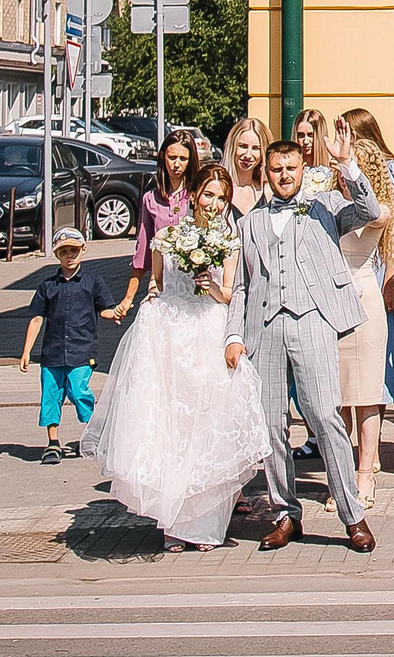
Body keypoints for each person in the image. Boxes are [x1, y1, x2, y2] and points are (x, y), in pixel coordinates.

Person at [83, 174, 270, 549]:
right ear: (194, 195)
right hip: (171, 332)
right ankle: (172, 521)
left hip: (209, 329)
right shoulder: (168, 237)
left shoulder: (229, 239)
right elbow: (156, 282)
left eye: (221, 198)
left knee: (208, 425)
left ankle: (204, 525)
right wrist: (152, 295)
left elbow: (231, 293)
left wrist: (209, 284)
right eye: (208, 195)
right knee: (173, 426)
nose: (214, 204)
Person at [224, 139, 383, 552]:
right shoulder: (250, 222)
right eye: (277, 170)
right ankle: (285, 514)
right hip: (264, 326)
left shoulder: (324, 206)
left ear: (302, 169)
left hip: (312, 319)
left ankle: (353, 515)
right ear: (267, 173)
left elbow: (369, 210)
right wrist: (234, 335)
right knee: (271, 423)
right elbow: (242, 286)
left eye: (291, 168)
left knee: (325, 416)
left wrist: (347, 164)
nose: (284, 176)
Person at [332, 109, 394, 510]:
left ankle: (365, 474)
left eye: (353, 169)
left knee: (364, 393)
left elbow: (371, 213)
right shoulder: (327, 203)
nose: (344, 175)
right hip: (327, 304)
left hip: (362, 299)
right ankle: (341, 475)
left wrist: (350, 168)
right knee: (336, 397)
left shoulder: (380, 209)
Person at [18, 227, 108, 463]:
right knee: (51, 395)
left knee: (78, 390)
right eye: (64, 251)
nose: (70, 256)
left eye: (74, 250)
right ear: (57, 255)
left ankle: (94, 433)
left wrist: (116, 313)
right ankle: (52, 443)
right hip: (53, 353)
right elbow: (37, 318)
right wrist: (26, 351)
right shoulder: (48, 286)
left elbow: (104, 309)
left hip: (82, 350)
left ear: (83, 250)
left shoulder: (93, 282)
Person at [109, 131, 196, 321]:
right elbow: (143, 252)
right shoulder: (151, 199)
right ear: (163, 156)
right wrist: (127, 299)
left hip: (193, 284)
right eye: (172, 157)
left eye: (183, 159)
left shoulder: (197, 196)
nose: (177, 164)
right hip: (162, 284)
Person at [222, 118, 271, 215]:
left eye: (256, 148)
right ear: (232, 146)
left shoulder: (267, 191)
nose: (248, 155)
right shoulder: (219, 187)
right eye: (243, 146)